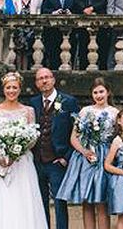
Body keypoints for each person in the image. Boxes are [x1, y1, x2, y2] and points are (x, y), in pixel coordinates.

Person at [0, 73, 46, 229]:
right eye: (8, 87)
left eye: (15, 87)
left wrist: (16, 152)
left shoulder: (29, 111)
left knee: (22, 198)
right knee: (0, 199)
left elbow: (32, 137)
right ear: (3, 89)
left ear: (20, 89)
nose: (11, 91)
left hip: (21, 162)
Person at [57, 79, 119, 229]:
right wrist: (84, 151)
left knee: (102, 201)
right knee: (87, 202)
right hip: (86, 158)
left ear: (108, 92)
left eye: (101, 91)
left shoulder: (115, 112)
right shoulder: (85, 111)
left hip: (105, 156)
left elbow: (118, 137)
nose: (98, 95)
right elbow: (74, 137)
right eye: (95, 92)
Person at [32, 68, 79, 229]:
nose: (44, 81)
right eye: (40, 79)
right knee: (40, 201)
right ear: (37, 83)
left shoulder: (68, 101)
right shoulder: (33, 103)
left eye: (47, 77)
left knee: (60, 202)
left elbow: (77, 132)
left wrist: (66, 157)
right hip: (37, 161)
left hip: (58, 161)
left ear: (53, 79)